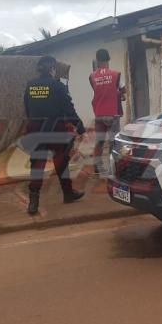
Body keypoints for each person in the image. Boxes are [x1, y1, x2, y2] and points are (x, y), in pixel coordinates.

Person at [23, 56, 86, 215]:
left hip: (36, 130)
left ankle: (33, 203)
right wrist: (79, 126)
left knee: (37, 165)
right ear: (52, 69)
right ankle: (68, 194)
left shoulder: (30, 85)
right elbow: (68, 109)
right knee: (61, 161)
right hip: (55, 130)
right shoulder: (57, 86)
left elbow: (27, 108)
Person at [90, 48, 125, 175]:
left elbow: (97, 90)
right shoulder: (116, 74)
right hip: (112, 113)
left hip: (99, 113)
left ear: (97, 60)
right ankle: (112, 168)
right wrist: (120, 94)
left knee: (99, 141)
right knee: (113, 142)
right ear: (108, 59)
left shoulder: (92, 76)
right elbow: (123, 89)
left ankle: (97, 167)